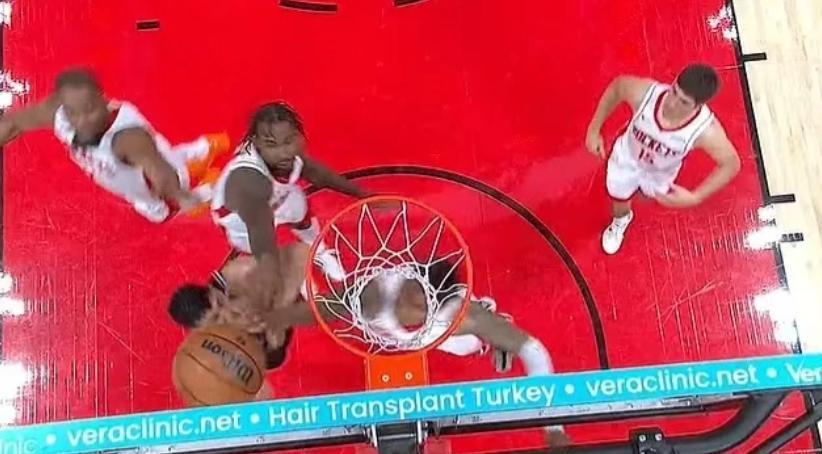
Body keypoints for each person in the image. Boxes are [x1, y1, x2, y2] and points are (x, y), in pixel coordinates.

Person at [168, 254, 570, 447]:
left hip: (445, 328)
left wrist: (554, 432)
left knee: (466, 344)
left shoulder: (455, 318)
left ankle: (494, 333)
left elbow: (535, 352)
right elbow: (313, 303)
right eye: (411, 295)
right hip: (387, 325)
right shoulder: (372, 297)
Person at [0, 68, 229, 222]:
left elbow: (159, 172)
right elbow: (13, 123)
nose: (82, 121)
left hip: (160, 180)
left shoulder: (126, 138)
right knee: (159, 178)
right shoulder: (58, 114)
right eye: (73, 112)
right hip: (138, 177)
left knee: (174, 193)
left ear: (103, 99)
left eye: (89, 109)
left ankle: (212, 179)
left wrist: (181, 196)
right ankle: (203, 150)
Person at [210, 101, 372, 309]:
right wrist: (290, 280)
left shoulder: (287, 158)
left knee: (300, 209)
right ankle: (300, 276)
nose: (283, 152)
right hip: (238, 221)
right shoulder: (249, 179)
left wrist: (362, 194)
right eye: (272, 145)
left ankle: (319, 252)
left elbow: (315, 172)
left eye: (288, 141)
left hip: (274, 199)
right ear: (255, 143)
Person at [585, 63, 741, 254]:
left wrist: (696, 197)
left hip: (660, 173)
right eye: (674, 92)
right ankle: (621, 220)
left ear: (698, 106)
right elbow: (618, 87)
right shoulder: (645, 94)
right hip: (627, 158)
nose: (672, 103)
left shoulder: (705, 132)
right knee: (619, 196)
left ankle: (641, 193)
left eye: (683, 102)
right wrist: (594, 129)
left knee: (649, 197)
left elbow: (731, 163)